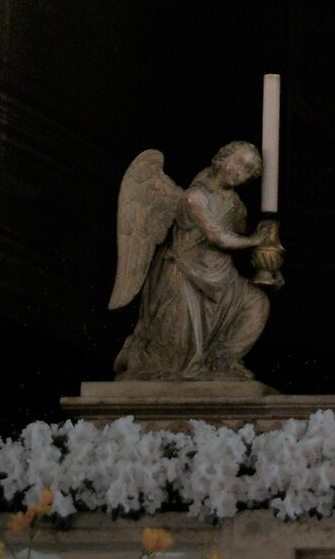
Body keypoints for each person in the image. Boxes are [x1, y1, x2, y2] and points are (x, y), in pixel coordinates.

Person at [113, 140, 272, 379]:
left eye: (248, 170)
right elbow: (218, 237)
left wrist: (268, 266)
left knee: (256, 303)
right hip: (187, 275)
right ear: (222, 158)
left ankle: (223, 360)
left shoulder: (236, 205)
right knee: (177, 355)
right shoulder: (194, 196)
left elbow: (239, 238)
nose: (240, 172)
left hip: (222, 277)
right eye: (239, 163)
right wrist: (255, 240)